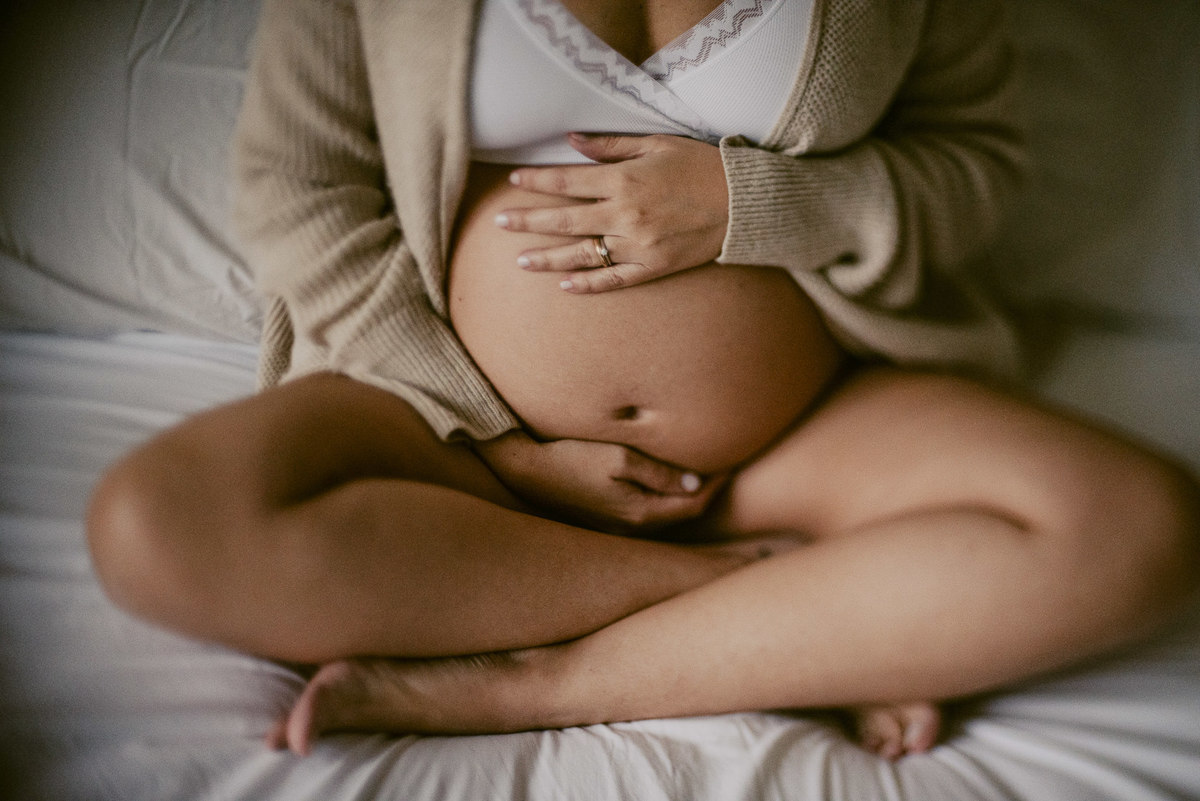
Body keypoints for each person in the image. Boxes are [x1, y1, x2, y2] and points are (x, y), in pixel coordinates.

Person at [86, 0, 1198, 763]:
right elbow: (297, 187)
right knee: (158, 525)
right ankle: (772, 603)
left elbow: (975, 170)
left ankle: (535, 680)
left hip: (790, 437)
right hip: (458, 442)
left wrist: (750, 203)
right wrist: (490, 430)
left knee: (1137, 526)